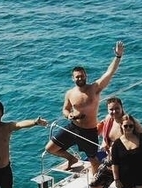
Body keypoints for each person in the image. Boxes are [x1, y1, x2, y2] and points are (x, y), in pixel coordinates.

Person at [45, 41, 125, 177]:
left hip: (89, 131)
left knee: (93, 160)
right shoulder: (70, 93)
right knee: (50, 148)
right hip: (73, 127)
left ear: (86, 76)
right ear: (73, 78)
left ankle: (96, 183)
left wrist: (118, 56)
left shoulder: (94, 88)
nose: (80, 78)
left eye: (82, 76)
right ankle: (71, 159)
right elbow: (65, 109)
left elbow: (109, 73)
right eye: (77, 76)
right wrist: (68, 115)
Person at [88, 96, 127, 188]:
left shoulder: (128, 123)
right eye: (111, 109)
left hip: (125, 164)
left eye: (117, 109)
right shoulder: (108, 119)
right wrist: (105, 142)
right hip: (111, 160)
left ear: (122, 108)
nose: (114, 112)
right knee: (95, 185)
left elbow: (140, 140)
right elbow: (105, 134)